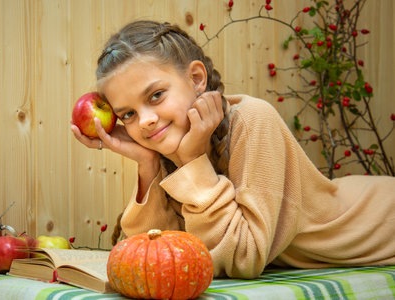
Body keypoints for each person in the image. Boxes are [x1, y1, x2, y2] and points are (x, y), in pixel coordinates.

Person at [71, 20, 395, 279]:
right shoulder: (167, 149)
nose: (144, 121)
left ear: (197, 78)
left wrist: (193, 160)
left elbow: (242, 259)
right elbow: (147, 259)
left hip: (380, 217)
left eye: (155, 95)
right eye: (128, 114)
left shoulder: (252, 118)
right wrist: (146, 162)